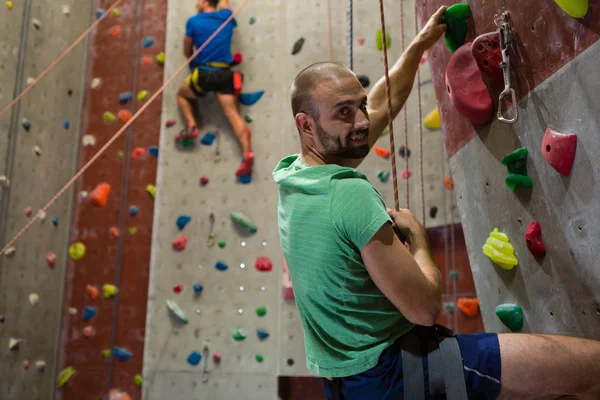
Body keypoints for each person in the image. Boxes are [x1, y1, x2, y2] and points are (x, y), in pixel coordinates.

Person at [273, 6, 600, 400]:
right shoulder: (346, 192)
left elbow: (382, 104)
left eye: (358, 105)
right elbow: (425, 309)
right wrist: (421, 243)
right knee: (590, 369)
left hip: (351, 385)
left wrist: (419, 45)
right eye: (344, 112)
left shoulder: (295, 177)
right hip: (398, 372)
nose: (361, 121)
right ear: (305, 125)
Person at [176, 0, 254, 177]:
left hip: (204, 72)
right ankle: (247, 152)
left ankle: (191, 126)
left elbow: (186, 51)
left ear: (204, 2)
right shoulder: (226, 17)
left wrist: (193, 62)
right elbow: (224, 4)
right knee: (233, 114)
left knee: (181, 95)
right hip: (225, 74)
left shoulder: (193, 21)